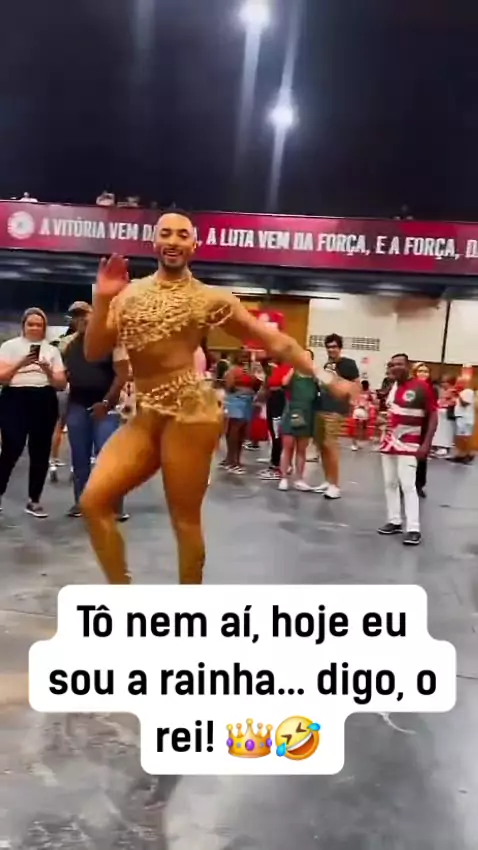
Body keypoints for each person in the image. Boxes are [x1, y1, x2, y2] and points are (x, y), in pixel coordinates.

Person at [80, 210, 355, 585]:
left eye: (182, 235)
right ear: (154, 242)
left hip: (190, 415)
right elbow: (94, 350)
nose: (173, 241)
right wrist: (102, 299)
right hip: (145, 414)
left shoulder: (209, 299)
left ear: (194, 246)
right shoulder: (129, 295)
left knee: (184, 520)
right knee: (93, 501)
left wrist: (325, 377)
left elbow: (274, 341)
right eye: (166, 233)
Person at [61, 301, 129, 519]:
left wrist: (106, 403)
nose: (82, 319)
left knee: (107, 457)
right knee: (79, 457)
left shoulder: (112, 341)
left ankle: (113, 505)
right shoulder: (67, 345)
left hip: (106, 407)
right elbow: (63, 374)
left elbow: (122, 375)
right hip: (78, 405)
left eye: (85, 315)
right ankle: (82, 502)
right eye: (76, 316)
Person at [0, 308, 67, 517]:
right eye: (31, 324)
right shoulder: (9, 347)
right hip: (15, 398)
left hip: (43, 398)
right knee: (11, 448)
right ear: (24, 325)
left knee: (40, 451)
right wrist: (22, 363)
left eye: (39, 325)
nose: (35, 328)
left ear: (44, 327)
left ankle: (34, 500)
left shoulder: (52, 351)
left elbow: (61, 384)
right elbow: (2, 378)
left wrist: (47, 370)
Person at [378, 353, 437, 546]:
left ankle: (413, 528)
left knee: (408, 486)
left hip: (409, 443)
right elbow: (388, 412)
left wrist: (426, 444)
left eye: (399, 364)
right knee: (390, 483)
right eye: (392, 364)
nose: (395, 367)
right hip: (388, 441)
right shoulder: (391, 386)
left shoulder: (421, 387)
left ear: (408, 366)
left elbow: (433, 416)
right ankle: (394, 521)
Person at [314, 334, 359, 499]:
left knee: (330, 444)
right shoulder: (327, 364)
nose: (331, 349)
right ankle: (328, 480)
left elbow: (356, 386)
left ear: (340, 348)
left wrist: (336, 378)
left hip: (337, 409)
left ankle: (335, 485)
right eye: (328, 347)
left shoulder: (348, 364)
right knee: (322, 446)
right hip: (321, 407)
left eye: (334, 346)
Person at [278, 352, 318, 492]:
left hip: (307, 413)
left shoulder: (314, 376)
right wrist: (294, 368)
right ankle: (283, 477)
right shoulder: (294, 373)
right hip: (293, 411)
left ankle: (299, 479)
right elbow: (284, 383)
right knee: (288, 447)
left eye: (308, 357)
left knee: (302, 449)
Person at [221, 350, 262, 474]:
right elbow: (229, 387)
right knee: (234, 429)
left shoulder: (251, 371)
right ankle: (232, 460)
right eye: (242, 356)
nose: (244, 359)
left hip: (248, 401)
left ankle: (236, 459)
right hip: (235, 401)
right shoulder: (232, 370)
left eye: (246, 357)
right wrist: (239, 381)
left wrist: (253, 378)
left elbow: (257, 386)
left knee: (243, 431)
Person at [412, 362, 439, 498]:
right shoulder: (409, 387)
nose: (423, 374)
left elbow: (433, 409)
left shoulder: (432, 389)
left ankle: (419, 484)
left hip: (425, 424)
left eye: (426, 371)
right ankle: (405, 484)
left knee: (422, 457)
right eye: (420, 371)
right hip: (410, 424)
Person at [451, 379, 475, 464]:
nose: (457, 384)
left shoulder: (468, 392)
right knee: (460, 438)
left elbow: (465, 404)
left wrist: (458, 394)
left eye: (459, 383)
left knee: (465, 438)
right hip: (460, 418)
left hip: (466, 419)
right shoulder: (462, 392)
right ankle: (460, 454)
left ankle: (468, 454)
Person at [350, 379, 375, 451]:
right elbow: (372, 401)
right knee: (363, 428)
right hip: (364, 411)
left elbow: (352, 402)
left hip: (357, 410)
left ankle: (354, 444)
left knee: (356, 428)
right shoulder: (368, 393)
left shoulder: (357, 392)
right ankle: (359, 443)